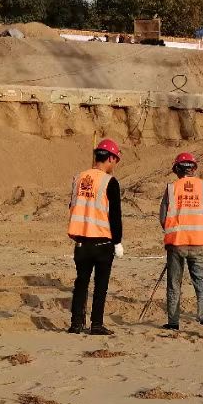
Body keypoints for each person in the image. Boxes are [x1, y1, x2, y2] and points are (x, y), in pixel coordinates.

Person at [159, 151, 203, 339]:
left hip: (176, 242)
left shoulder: (171, 188)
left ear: (177, 169)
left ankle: (173, 322)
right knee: (202, 284)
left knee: (174, 284)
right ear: (194, 169)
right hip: (199, 242)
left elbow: (162, 218)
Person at [68, 139, 123, 335]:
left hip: (81, 241)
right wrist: (117, 241)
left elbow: (72, 205)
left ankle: (75, 323)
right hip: (102, 241)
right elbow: (115, 215)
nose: (115, 164)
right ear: (109, 158)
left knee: (81, 283)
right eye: (115, 160)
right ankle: (96, 324)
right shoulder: (110, 182)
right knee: (101, 286)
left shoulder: (78, 178)